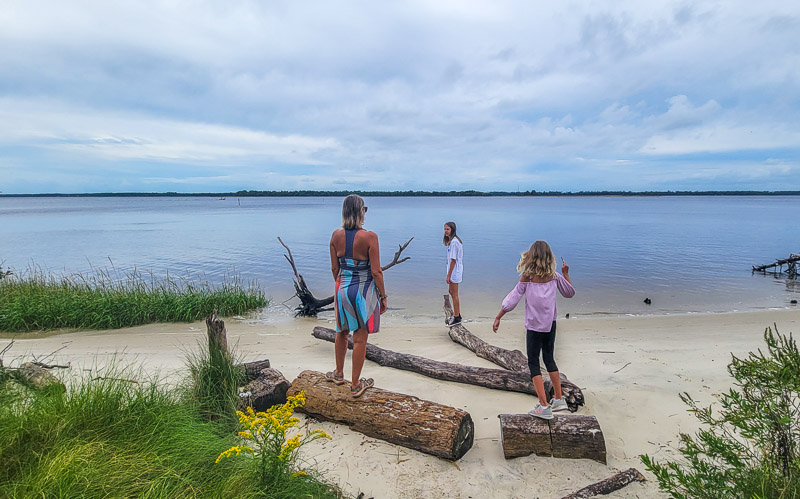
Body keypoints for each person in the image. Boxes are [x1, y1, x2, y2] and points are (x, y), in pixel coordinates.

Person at [492, 240, 574, 419]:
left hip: (534, 327)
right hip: (550, 325)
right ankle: (559, 400)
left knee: (534, 363)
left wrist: (499, 316)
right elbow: (569, 293)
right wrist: (566, 274)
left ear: (532, 256)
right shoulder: (554, 276)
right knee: (549, 359)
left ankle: (544, 406)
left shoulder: (528, 277)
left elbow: (512, 299)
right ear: (549, 257)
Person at [326, 194, 388, 397]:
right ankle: (355, 384)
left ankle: (338, 373)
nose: (365, 213)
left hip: (342, 287)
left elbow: (335, 269)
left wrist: (342, 285)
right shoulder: (370, 237)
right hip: (362, 292)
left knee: (341, 331)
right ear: (360, 211)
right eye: (364, 209)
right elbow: (376, 271)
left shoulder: (335, 235)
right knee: (360, 338)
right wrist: (383, 296)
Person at [444, 221, 464, 325]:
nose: (445, 231)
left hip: (454, 272)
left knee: (455, 294)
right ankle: (457, 313)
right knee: (451, 292)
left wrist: (448, 276)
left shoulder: (454, 242)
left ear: (452, 230)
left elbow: (453, 260)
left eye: (447, 229)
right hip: (453, 271)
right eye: (445, 229)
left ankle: (457, 317)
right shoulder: (452, 241)